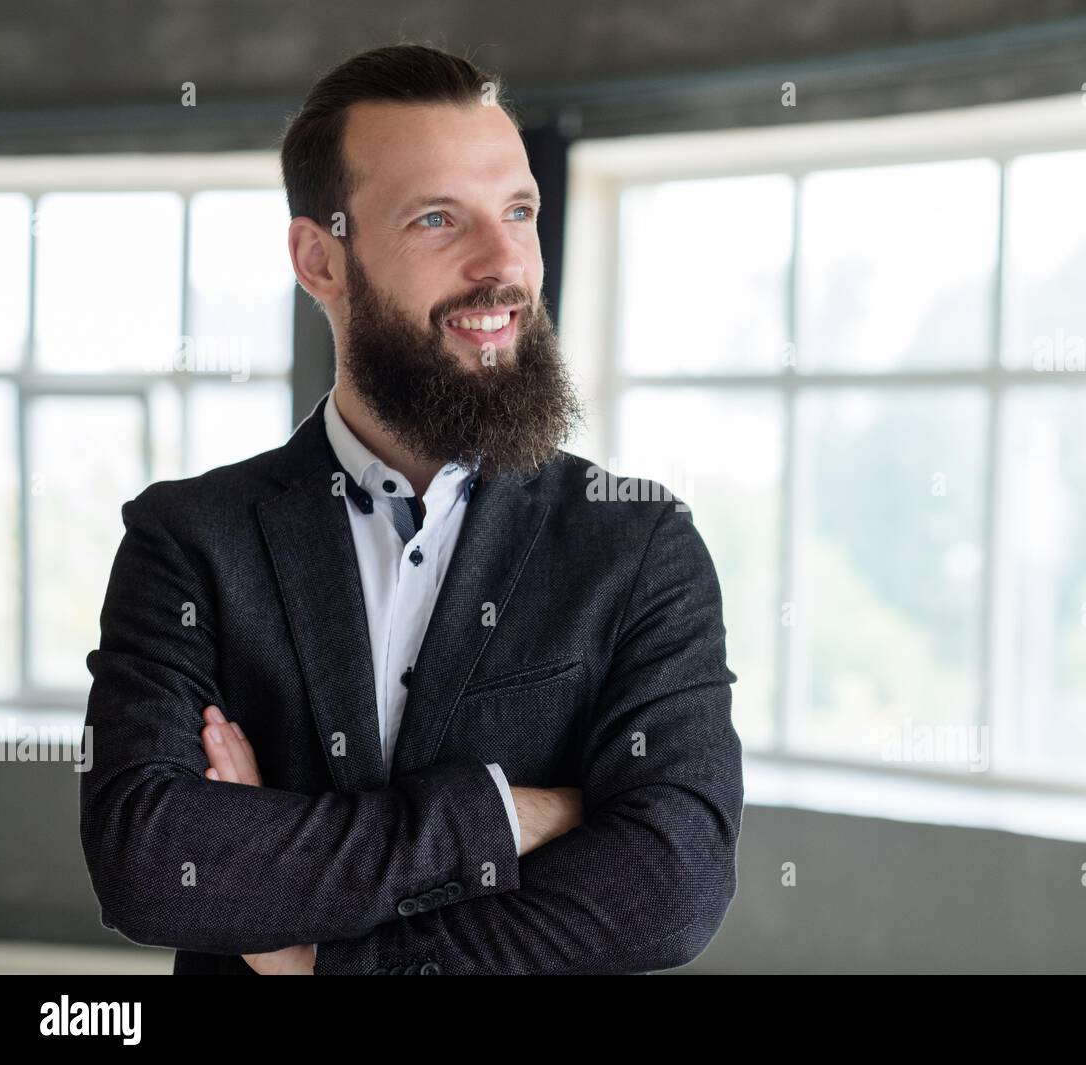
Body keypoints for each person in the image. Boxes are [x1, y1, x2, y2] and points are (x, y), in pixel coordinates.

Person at [79, 43, 743, 975]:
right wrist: (507, 814)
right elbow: (153, 864)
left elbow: (667, 887)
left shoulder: (638, 543)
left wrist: (315, 960)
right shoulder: (187, 541)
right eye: (439, 218)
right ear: (321, 259)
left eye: (520, 211)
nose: (503, 264)